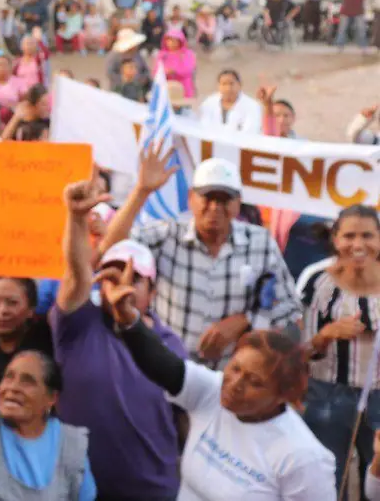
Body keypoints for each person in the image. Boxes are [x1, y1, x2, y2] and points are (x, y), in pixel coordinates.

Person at [101, 260, 336, 499]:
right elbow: (163, 365)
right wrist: (128, 318)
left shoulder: (303, 458)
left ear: (282, 394)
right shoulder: (212, 392)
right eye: (234, 369)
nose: (235, 384)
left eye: (255, 382)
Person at [101, 149, 301, 361]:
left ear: (238, 203)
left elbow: (290, 311)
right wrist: (141, 191)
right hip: (168, 370)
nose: (215, 207)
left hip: (229, 379)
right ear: (191, 198)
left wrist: (247, 321)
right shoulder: (167, 235)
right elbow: (112, 247)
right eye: (207, 197)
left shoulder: (260, 243)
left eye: (224, 199)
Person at [54, 179, 184, 501]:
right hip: (76, 489)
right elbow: (76, 273)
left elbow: (182, 419)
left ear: (152, 292)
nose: (120, 282)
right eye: (110, 273)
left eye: (133, 277)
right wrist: (75, 218)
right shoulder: (78, 326)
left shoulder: (170, 345)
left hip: (150, 491)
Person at [0, 294, 97, 500]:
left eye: (28, 381)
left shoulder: (70, 444)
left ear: (51, 398)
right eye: (8, 377)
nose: (12, 387)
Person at [295, 204, 380, 496]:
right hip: (326, 394)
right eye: (349, 236)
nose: (358, 245)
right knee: (327, 481)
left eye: (367, 236)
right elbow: (298, 351)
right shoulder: (317, 279)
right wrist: (326, 334)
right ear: (335, 238)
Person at [197, 69, 263, 134]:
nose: (228, 88)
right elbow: (203, 126)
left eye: (231, 84)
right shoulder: (209, 103)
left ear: (239, 85)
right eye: (224, 84)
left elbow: (251, 132)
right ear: (218, 86)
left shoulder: (252, 106)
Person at [154, 28, 196, 99]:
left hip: (183, 88)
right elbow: (156, 71)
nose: (171, 43)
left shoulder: (188, 54)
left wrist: (175, 71)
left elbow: (189, 70)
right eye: (169, 40)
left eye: (174, 40)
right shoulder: (161, 54)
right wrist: (165, 72)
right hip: (166, 88)